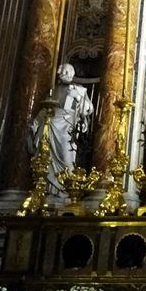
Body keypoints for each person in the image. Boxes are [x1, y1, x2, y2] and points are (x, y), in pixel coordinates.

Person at [33, 63, 96, 194]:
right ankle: (50, 190)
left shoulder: (78, 88)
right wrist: (35, 122)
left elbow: (89, 108)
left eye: (67, 72)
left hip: (67, 124)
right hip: (51, 124)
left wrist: (77, 97)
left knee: (67, 156)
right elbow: (46, 109)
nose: (64, 74)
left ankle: (66, 189)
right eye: (62, 72)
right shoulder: (53, 89)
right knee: (46, 156)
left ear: (72, 74)